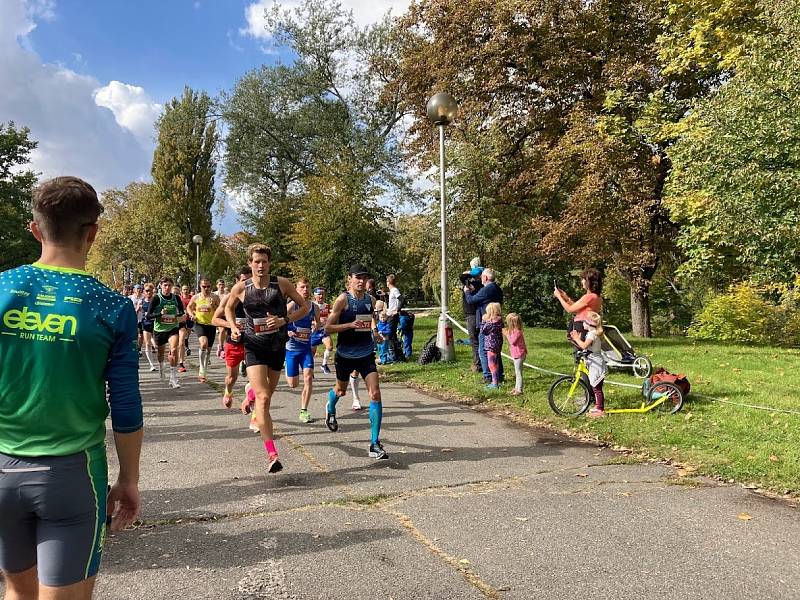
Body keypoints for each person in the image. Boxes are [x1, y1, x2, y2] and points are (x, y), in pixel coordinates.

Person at [0, 176, 143, 599]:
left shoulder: (3, 288)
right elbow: (126, 404)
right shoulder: (112, 306)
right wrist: (129, 479)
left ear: (35, 228)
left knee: (17, 594)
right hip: (72, 475)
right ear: (93, 233)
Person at [226, 244, 309, 474]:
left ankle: (249, 393)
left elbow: (304, 307)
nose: (260, 265)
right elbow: (229, 310)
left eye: (264, 261)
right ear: (250, 263)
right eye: (256, 262)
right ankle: (272, 454)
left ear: (269, 263)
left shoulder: (281, 284)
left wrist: (285, 320)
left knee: (266, 395)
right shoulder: (242, 288)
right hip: (253, 346)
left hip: (276, 347)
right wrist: (233, 327)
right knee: (263, 399)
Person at [323, 264, 388, 460]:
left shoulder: (370, 299)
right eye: (357, 277)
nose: (361, 281)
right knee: (340, 390)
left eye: (364, 277)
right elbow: (328, 327)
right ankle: (330, 408)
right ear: (349, 279)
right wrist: (350, 325)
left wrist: (375, 333)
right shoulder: (343, 300)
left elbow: (370, 319)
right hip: (345, 355)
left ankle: (374, 443)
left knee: (375, 393)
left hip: (366, 353)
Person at [212, 266, 252, 408]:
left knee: (256, 379)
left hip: (253, 343)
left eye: (249, 281)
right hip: (234, 343)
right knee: (231, 378)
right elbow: (215, 320)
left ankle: (251, 403)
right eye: (243, 281)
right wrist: (232, 326)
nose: (246, 284)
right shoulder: (229, 298)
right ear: (236, 282)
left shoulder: (258, 297)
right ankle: (228, 391)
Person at [284, 278, 320, 424]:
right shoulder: (292, 305)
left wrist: (315, 329)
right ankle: (287, 366)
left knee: (308, 378)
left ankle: (304, 410)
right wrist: (288, 332)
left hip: (306, 348)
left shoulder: (314, 307)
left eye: (307, 287)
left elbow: (318, 324)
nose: (305, 290)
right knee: (293, 384)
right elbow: (281, 322)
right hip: (291, 349)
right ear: (296, 290)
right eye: (302, 287)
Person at [145, 277, 186, 388]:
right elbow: (148, 316)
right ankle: (161, 366)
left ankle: (173, 378)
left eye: (169, 285)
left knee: (173, 350)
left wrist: (179, 316)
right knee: (160, 354)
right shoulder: (156, 299)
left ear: (172, 286)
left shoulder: (176, 298)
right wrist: (160, 314)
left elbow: (182, 311)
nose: (167, 288)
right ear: (161, 286)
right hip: (159, 329)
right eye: (165, 285)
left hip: (173, 328)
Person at [464, 268, 504, 384]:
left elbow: (471, 300)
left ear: (486, 278)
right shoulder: (497, 288)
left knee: (484, 350)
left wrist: (467, 291)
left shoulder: (487, 289)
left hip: (486, 323)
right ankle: (499, 374)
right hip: (496, 322)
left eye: (482, 277)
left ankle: (488, 376)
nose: (481, 279)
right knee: (495, 351)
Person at [570, 311, 608, 417]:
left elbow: (584, 345)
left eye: (584, 322)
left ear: (589, 324)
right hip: (593, 361)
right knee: (595, 386)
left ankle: (600, 409)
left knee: (597, 387)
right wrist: (576, 339)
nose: (582, 324)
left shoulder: (592, 334)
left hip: (596, 364)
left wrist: (577, 338)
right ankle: (597, 406)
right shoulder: (592, 332)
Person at [187, 277, 220, 383]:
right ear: (200, 287)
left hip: (211, 324)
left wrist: (214, 306)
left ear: (211, 286)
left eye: (208, 286)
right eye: (203, 286)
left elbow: (221, 309)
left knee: (208, 350)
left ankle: (204, 369)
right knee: (203, 343)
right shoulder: (196, 297)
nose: (206, 288)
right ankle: (201, 368)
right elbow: (189, 307)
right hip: (199, 324)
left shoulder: (215, 297)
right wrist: (191, 314)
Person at [554, 268, 604, 339]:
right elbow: (577, 309)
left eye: (584, 279)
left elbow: (569, 309)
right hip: (586, 326)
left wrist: (559, 296)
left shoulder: (589, 297)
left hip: (582, 327)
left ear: (589, 282)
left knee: (580, 349)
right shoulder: (596, 296)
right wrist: (566, 298)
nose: (582, 281)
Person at [459, 258, 483, 372]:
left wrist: (472, 271)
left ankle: (477, 365)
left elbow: (462, 276)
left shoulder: (477, 283)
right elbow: (462, 276)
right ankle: (479, 364)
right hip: (473, 314)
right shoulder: (475, 282)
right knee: (477, 340)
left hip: (472, 314)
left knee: (475, 340)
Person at [503, 313, 528, 396]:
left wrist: (506, 334)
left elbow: (512, 342)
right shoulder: (514, 330)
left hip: (519, 355)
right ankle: (516, 388)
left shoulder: (517, 331)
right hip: (517, 354)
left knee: (518, 372)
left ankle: (519, 389)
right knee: (517, 372)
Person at [480, 302, 504, 389]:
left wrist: (483, 321)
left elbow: (483, 331)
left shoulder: (491, 322)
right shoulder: (499, 319)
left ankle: (494, 383)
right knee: (496, 362)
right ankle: (497, 380)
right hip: (498, 344)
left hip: (491, 345)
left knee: (491, 364)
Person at [311, 287, 334, 375]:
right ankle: (310, 368)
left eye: (323, 294)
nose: (321, 296)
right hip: (314, 331)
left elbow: (329, 317)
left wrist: (328, 320)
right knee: (312, 353)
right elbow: (307, 318)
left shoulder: (326, 306)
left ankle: (324, 364)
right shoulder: (311, 305)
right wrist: (315, 322)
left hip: (323, 330)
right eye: (319, 294)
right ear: (315, 296)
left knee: (330, 347)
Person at [140, 283, 158, 371]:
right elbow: (136, 311)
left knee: (157, 344)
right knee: (147, 343)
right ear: (144, 291)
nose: (148, 293)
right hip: (146, 324)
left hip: (156, 324)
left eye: (150, 291)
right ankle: (151, 364)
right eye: (147, 291)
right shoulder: (142, 301)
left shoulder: (155, 301)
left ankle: (160, 361)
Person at [385, 274, 402, 359]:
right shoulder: (392, 291)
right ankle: (396, 355)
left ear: (388, 282)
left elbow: (401, 299)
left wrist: (397, 310)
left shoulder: (395, 290)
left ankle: (394, 355)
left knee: (390, 335)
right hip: (389, 315)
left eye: (387, 281)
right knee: (392, 336)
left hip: (393, 316)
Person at [128, 284, 145, 353]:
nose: (139, 290)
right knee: (134, 335)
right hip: (133, 319)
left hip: (142, 319)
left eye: (140, 288)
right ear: (134, 290)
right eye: (137, 288)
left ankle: (139, 349)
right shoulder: (130, 297)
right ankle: (133, 348)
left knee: (141, 336)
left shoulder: (144, 298)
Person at [215, 278, 228, 357]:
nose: (221, 286)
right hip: (218, 316)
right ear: (217, 286)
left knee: (227, 334)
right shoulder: (214, 294)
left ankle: (225, 347)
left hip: (226, 315)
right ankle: (221, 347)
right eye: (220, 284)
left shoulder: (227, 294)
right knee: (222, 331)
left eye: (222, 284)